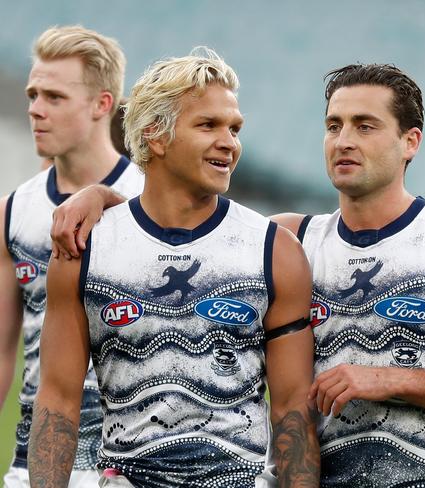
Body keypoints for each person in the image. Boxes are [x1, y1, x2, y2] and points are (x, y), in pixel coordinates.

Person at [28, 47, 320, 488]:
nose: (230, 142)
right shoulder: (85, 249)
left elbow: (293, 410)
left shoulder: (275, 251)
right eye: (208, 125)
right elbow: (58, 400)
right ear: (156, 136)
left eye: (235, 128)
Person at [0, 25, 144, 487]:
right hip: (35, 465)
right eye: (33, 94)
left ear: (102, 104)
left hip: (127, 468)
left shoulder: (152, 200)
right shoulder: (12, 212)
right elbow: (2, 352)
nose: (35, 110)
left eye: (54, 97)